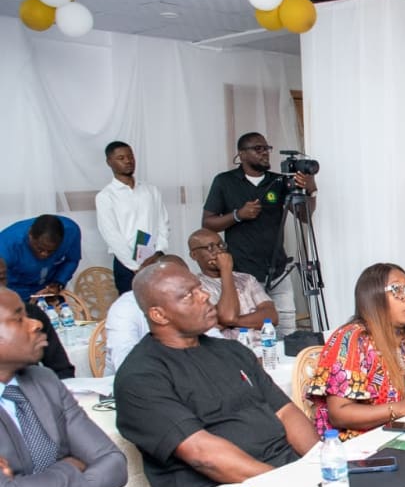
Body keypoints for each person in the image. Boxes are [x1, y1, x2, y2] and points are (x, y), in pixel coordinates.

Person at [114, 261, 318, 487]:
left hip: (287, 474)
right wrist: (285, 486)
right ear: (159, 314)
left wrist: (320, 465)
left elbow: (286, 412)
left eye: (199, 288)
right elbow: (203, 454)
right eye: (189, 295)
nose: (205, 296)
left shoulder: (232, 351)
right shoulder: (141, 377)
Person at [0, 286, 127, 487]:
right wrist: (71, 467)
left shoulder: (43, 380)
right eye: (18, 318)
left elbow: (114, 464)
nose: (36, 323)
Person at [306, 263, 405, 440]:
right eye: (397, 289)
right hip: (363, 445)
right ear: (373, 297)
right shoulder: (351, 340)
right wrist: (402, 407)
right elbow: (339, 414)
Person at [202, 132, 318, 337]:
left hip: (278, 268)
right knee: (252, 333)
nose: (265, 153)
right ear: (242, 154)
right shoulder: (224, 181)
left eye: (267, 148)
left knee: (287, 331)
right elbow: (208, 223)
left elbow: (304, 217)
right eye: (258, 149)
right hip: (244, 272)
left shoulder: (279, 181)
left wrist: (310, 191)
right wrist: (238, 215)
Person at [96, 141, 171, 294]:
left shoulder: (151, 190)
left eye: (130, 156)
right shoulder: (106, 196)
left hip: (154, 258)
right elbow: (111, 234)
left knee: (160, 305)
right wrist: (135, 266)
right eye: (121, 158)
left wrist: (159, 251)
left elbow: (163, 223)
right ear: (109, 162)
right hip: (127, 264)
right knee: (133, 307)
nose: (128, 161)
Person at [188, 229, 277, 342]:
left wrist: (232, 322)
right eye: (210, 247)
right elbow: (228, 315)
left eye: (220, 245)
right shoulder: (196, 286)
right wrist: (226, 270)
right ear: (194, 255)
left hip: (264, 346)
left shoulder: (247, 279)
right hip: (230, 352)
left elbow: (272, 317)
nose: (218, 251)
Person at [0, 259, 74, 378]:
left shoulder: (33, 314)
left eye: (1, 278)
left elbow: (62, 371)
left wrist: (58, 392)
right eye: (18, 320)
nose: (35, 325)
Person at [0, 215, 81, 301]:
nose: (45, 255)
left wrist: (58, 282)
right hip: (16, 292)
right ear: (30, 235)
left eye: (51, 251)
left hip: (50, 289)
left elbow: (71, 260)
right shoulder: (6, 246)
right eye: (40, 249)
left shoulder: (71, 232)